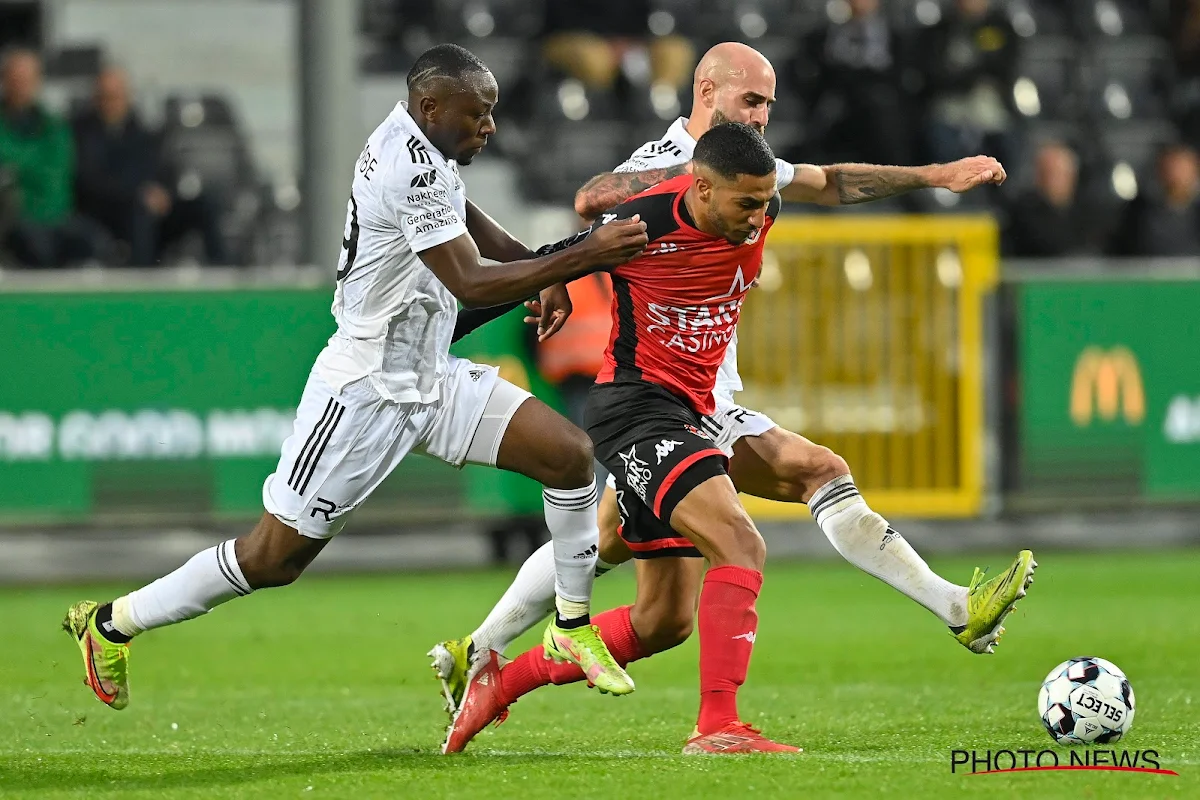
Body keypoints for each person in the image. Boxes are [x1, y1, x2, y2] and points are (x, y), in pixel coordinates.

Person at [432, 43, 1035, 753]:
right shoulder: (672, 173)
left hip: (702, 404)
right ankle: (714, 720)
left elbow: (831, 182)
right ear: (708, 92)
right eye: (753, 102)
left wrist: (936, 175)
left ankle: (488, 665)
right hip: (653, 405)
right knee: (714, 537)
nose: (765, 115)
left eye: (770, 105)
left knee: (662, 611)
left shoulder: (752, 171)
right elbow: (594, 200)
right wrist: (550, 274)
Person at [61, 43, 650, 712]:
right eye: (478, 115)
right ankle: (112, 623)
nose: (489, 127)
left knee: (570, 456)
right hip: (364, 391)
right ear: (431, 106)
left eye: (491, 115)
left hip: (430, 375)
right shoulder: (409, 164)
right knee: (271, 559)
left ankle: (570, 626)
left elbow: (466, 221)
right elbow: (470, 279)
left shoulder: (423, 144)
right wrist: (579, 257)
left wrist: (534, 264)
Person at [72, 66, 230, 266]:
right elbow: (88, 182)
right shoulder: (81, 135)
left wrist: (165, 194)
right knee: (138, 211)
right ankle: (143, 278)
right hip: (108, 214)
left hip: (153, 211)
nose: (111, 103)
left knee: (204, 205)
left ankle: (224, 271)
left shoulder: (143, 132)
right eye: (106, 96)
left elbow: (164, 171)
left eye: (116, 96)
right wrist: (138, 193)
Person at [0, 47, 108, 267]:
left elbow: (57, 172)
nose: (22, 86)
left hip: (57, 216)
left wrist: (19, 167)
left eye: (28, 79)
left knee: (96, 243)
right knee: (37, 247)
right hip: (16, 219)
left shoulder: (54, 125)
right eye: (16, 79)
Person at [1004, 140, 1097, 257]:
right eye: (1050, 174)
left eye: (1062, 174)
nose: (1056, 181)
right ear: (1038, 177)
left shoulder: (1090, 212)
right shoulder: (1022, 214)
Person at [1110, 143, 1200, 256]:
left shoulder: (1196, 213)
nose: (1176, 174)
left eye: (1183, 168)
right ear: (1160, 170)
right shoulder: (1136, 212)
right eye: (1171, 167)